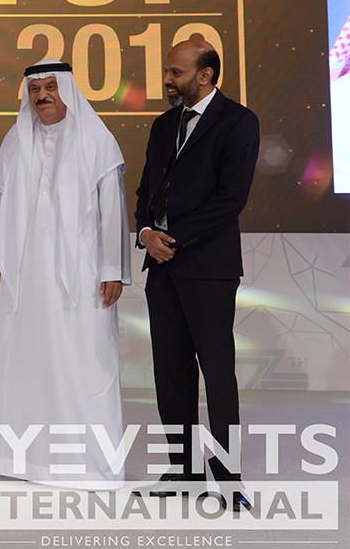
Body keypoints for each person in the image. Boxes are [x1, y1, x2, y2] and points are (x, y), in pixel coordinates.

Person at [0, 60, 131, 490]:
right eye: (35, 89)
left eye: (50, 87)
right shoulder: (15, 139)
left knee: (87, 362)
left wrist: (113, 268)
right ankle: (28, 461)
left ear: (66, 89)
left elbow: (112, 210)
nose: (42, 96)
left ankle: (93, 465)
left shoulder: (96, 139)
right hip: (25, 273)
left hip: (82, 273)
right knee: (28, 360)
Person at [134, 38, 258, 509]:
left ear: (205, 75)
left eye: (176, 73)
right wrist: (146, 232)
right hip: (161, 266)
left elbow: (231, 198)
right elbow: (146, 190)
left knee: (217, 374)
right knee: (171, 374)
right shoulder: (164, 124)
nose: (167, 80)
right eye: (168, 71)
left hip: (208, 267)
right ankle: (184, 472)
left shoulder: (239, 121)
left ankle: (228, 479)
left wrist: (174, 239)